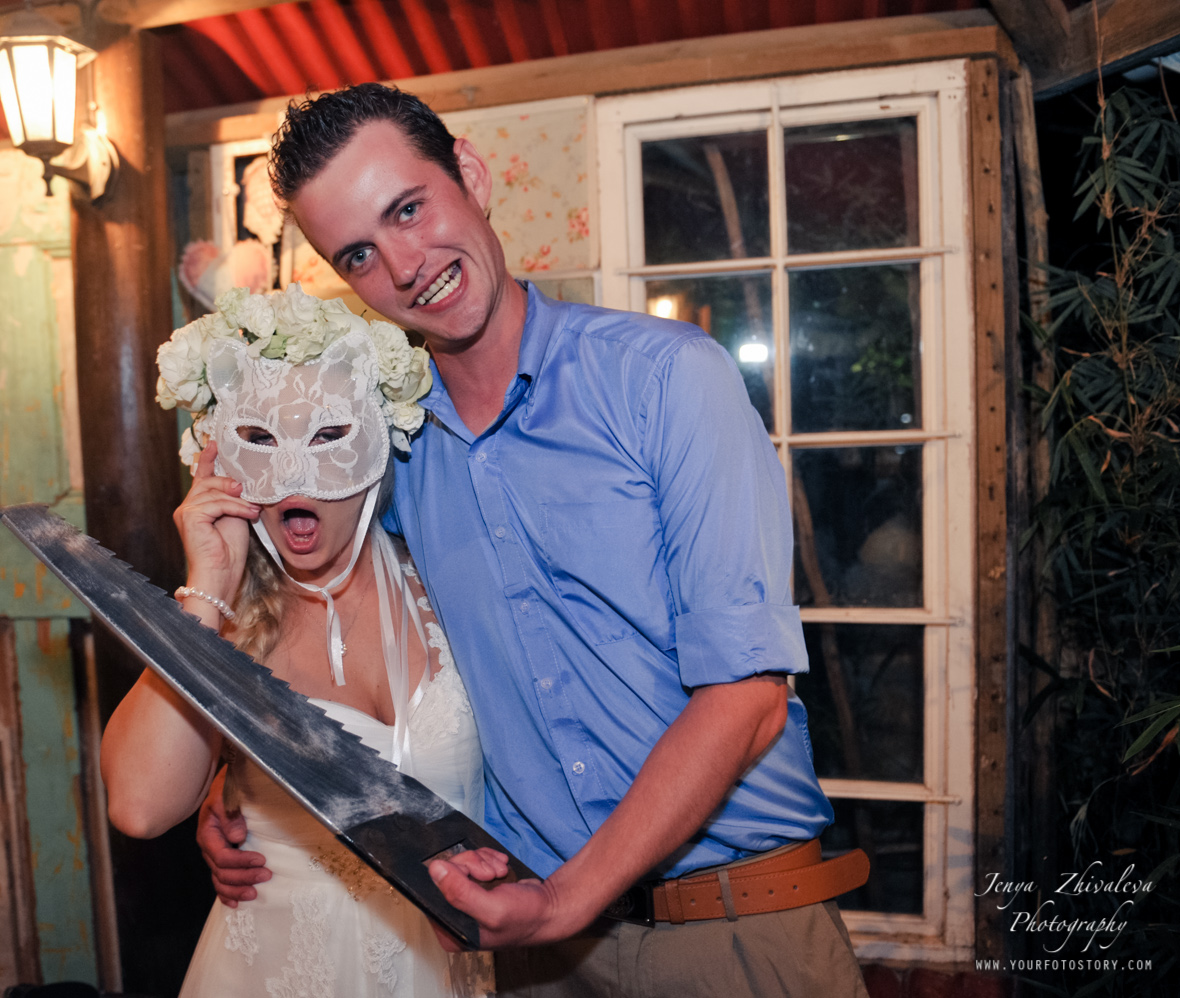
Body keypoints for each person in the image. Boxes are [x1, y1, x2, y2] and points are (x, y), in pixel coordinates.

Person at [197, 83, 872, 997]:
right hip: (533, 953)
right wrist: (239, 785)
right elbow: (329, 633)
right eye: (358, 253)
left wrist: (563, 900)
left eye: (409, 208)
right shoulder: (386, 452)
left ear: (471, 176)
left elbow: (747, 697)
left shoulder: (665, 380)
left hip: (733, 931)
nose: (405, 264)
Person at [101, 288, 494, 998]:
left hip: (448, 963)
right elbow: (139, 805)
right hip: (271, 968)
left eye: (325, 437)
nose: (292, 474)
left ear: (377, 442)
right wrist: (207, 585)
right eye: (260, 440)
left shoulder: (454, 589)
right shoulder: (226, 622)